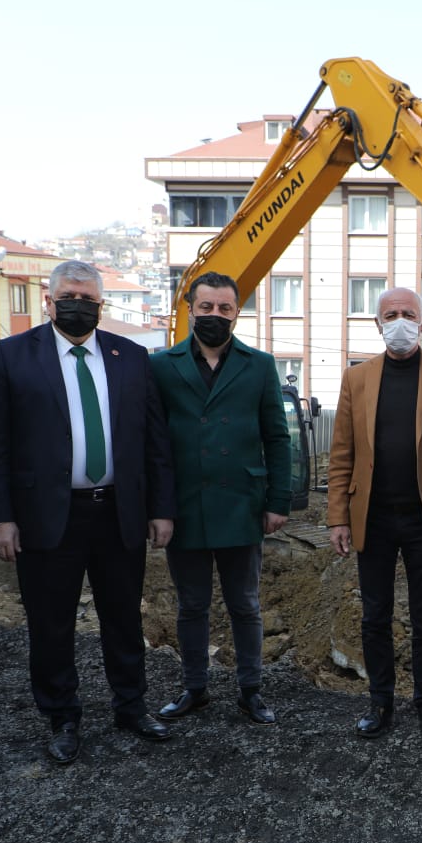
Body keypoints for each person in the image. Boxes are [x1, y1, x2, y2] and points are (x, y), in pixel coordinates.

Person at [0, 260, 176, 764]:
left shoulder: (130, 357)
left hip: (118, 513)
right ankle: (62, 716)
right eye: (69, 296)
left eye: (88, 298)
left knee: (124, 618)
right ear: (49, 298)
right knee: (51, 623)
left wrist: (161, 509)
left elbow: (154, 441)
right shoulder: (12, 355)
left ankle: (131, 707)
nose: (78, 305)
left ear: (101, 305)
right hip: (46, 516)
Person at [327, 286, 422, 742]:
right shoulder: (358, 379)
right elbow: (341, 455)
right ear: (376, 323)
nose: (399, 321)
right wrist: (337, 517)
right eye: (389, 314)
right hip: (371, 517)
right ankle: (380, 701)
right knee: (375, 615)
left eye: (407, 313)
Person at [150, 272, 291, 726]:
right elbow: (152, 443)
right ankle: (195, 688)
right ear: (191, 309)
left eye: (224, 309)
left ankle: (251, 691)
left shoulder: (259, 364)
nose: (215, 315)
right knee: (191, 604)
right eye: (206, 307)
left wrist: (278, 501)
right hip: (185, 507)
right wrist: (159, 509)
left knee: (245, 604)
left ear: (236, 312)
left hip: (242, 503)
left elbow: (277, 436)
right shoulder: (161, 365)